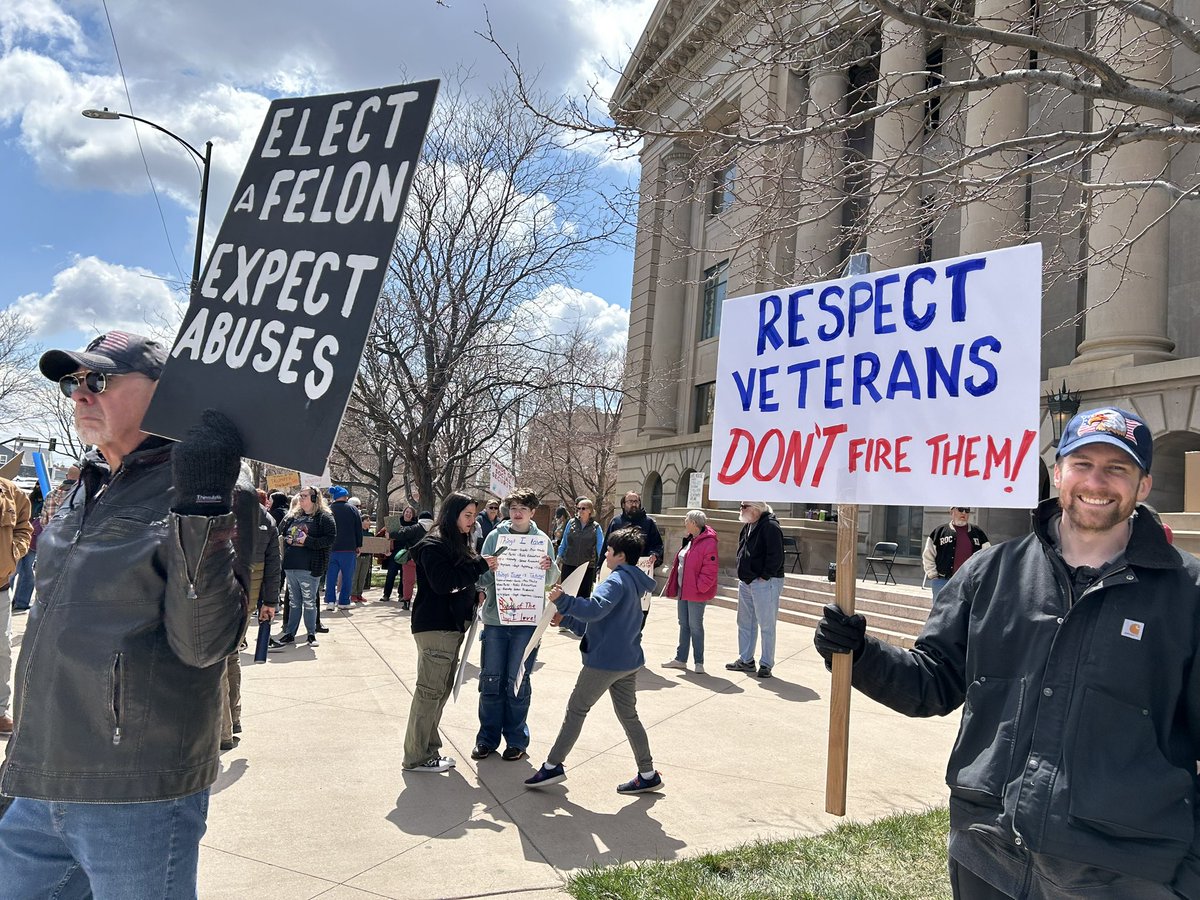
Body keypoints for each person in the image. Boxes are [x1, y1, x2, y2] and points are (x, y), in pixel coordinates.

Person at [814, 406, 1200, 899]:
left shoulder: (1187, 593)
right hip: (986, 850)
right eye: (1082, 464)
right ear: (1057, 471)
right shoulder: (991, 571)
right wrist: (859, 655)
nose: (1096, 481)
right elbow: (932, 683)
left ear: (1143, 485)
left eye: (1117, 468)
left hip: (1121, 872)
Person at [0, 331, 247, 897]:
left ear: (165, 393)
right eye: (73, 383)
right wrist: (22, 765)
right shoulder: (81, 487)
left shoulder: (209, 489)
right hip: (40, 780)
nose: (80, 395)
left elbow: (205, 644)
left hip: (133, 790)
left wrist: (202, 506)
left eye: (99, 380)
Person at [525, 527, 663, 794]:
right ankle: (647, 773)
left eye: (609, 551)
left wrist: (563, 601)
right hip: (628, 660)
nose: (606, 554)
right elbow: (604, 621)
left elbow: (595, 609)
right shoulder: (633, 581)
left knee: (576, 710)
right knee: (629, 716)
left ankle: (553, 766)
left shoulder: (615, 581)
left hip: (605, 662)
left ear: (620, 556)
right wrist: (568, 619)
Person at [403, 493, 498, 773]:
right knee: (430, 693)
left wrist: (476, 591)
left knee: (438, 692)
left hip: (450, 627)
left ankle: (427, 751)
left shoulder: (454, 542)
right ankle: (417, 756)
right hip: (437, 627)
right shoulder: (434, 545)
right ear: (452, 514)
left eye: (473, 515)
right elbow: (444, 584)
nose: (472, 521)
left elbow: (460, 579)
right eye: (467, 515)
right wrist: (480, 566)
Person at [472, 489, 557, 762]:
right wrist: (487, 568)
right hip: (497, 620)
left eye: (523, 508)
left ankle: (517, 740)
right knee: (491, 680)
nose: (517, 512)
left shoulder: (542, 541)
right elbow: (480, 579)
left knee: (517, 681)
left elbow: (550, 581)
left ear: (533, 512)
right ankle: (487, 739)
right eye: (513, 507)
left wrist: (549, 567)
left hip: (527, 622)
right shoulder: (495, 537)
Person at [220, 483, 281, 749]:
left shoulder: (223, 513)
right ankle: (234, 719)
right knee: (232, 657)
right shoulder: (266, 519)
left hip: (222, 594)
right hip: (250, 599)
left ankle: (223, 731)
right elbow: (273, 563)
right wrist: (270, 601)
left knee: (220, 662)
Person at [726, 500, 784, 679]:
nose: (741, 509)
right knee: (744, 622)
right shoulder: (748, 525)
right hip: (747, 580)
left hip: (765, 582)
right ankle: (746, 659)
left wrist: (765, 575)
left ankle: (766, 663)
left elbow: (776, 556)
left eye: (744, 507)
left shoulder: (770, 526)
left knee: (766, 624)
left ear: (756, 509)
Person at [276, 488, 336, 648]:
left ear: (315, 498)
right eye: (300, 496)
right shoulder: (294, 516)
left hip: (309, 567)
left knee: (309, 602)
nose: (300, 499)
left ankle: (311, 634)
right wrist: (289, 539)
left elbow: (330, 539)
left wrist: (307, 540)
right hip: (291, 565)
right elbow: (283, 533)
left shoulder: (324, 517)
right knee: (294, 602)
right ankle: (289, 633)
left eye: (304, 496)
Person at [662, 509, 719, 674]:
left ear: (694, 523)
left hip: (695, 593)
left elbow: (710, 570)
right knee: (684, 625)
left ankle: (699, 662)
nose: (684, 523)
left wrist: (699, 588)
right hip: (683, 591)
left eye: (686, 520)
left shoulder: (709, 542)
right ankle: (681, 659)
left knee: (695, 626)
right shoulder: (690, 540)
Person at [0, 475, 32, 736]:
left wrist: (13, 553)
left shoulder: (10, 490)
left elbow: (24, 526)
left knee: (2, 652)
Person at [922, 507, 990, 598]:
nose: (964, 513)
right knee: (942, 611)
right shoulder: (939, 531)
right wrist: (933, 575)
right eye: (961, 509)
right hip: (943, 581)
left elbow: (988, 556)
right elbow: (928, 555)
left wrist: (981, 576)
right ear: (951, 511)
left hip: (969, 583)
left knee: (966, 611)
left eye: (967, 510)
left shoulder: (978, 532)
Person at [555, 497, 604, 602]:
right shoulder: (571, 523)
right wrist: (559, 557)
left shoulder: (596, 527)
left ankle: (580, 619)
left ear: (590, 510)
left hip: (586, 567)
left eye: (583, 508)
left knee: (582, 597)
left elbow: (600, 547)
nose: (580, 511)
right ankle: (564, 618)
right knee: (566, 596)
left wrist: (602, 564)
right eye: (578, 508)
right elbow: (564, 542)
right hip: (569, 564)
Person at [324, 485, 361, 611]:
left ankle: (330, 601)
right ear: (345, 497)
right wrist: (358, 545)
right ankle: (344, 601)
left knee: (331, 576)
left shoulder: (328, 510)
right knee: (347, 576)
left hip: (331, 548)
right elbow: (358, 529)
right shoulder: (353, 510)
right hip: (348, 548)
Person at [604, 491, 664, 566]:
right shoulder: (616, 522)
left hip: (642, 568)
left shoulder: (649, 522)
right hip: (618, 567)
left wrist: (654, 554)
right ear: (623, 505)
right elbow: (606, 546)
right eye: (630, 501)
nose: (634, 504)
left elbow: (657, 545)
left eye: (636, 501)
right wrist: (599, 568)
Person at [10, 518, 40, 614]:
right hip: (24, 535)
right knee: (14, 572)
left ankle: (20, 603)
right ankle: (20, 603)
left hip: (26, 535)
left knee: (25, 572)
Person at [350, 499, 372, 604]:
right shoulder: (357, 533)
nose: (369, 522)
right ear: (361, 522)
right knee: (355, 575)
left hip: (367, 557)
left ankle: (359, 594)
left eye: (369, 520)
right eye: (366, 520)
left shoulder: (371, 534)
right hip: (357, 556)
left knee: (363, 577)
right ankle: (353, 594)